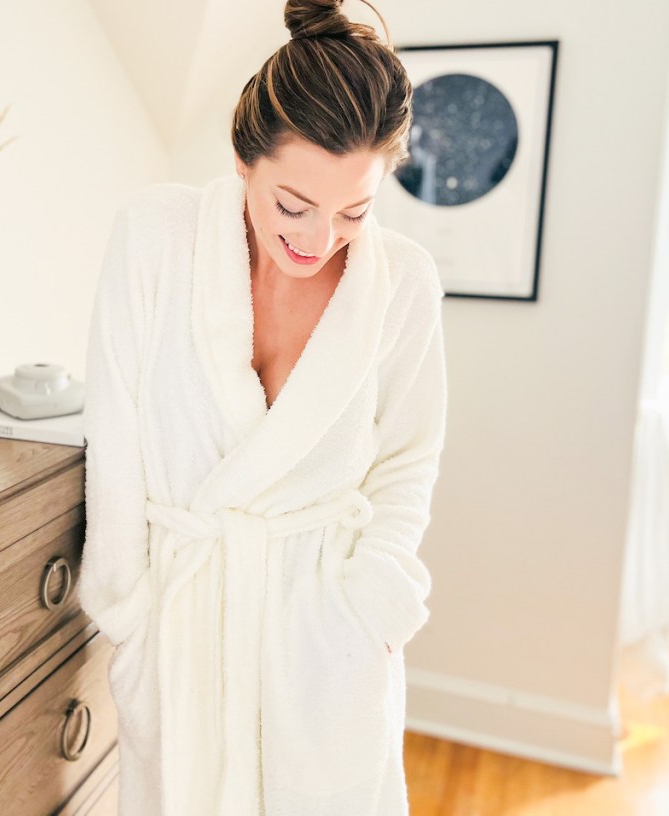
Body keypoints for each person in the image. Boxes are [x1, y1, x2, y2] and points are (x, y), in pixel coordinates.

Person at [77, 0, 447, 814]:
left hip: (327, 631)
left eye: (355, 211)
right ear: (244, 160)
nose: (319, 239)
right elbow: (115, 432)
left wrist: (370, 607)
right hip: (185, 627)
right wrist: (126, 610)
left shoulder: (404, 284)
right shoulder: (154, 237)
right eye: (293, 204)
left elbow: (409, 456)